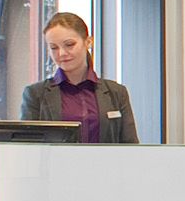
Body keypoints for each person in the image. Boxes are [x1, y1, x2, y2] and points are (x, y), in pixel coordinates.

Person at [19, 12, 137, 142]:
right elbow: (27, 147)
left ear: (88, 42)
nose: (62, 53)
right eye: (54, 48)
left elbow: (130, 146)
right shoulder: (35, 95)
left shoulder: (117, 93)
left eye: (69, 44)